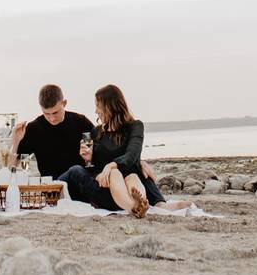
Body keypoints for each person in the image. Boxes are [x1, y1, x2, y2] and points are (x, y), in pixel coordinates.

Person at [58, 84, 192, 217]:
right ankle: (135, 206)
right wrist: (89, 159)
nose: (96, 111)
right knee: (82, 171)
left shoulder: (135, 127)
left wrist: (113, 165)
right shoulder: (96, 132)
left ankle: (155, 205)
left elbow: (131, 154)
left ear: (110, 106)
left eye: (98, 106)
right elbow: (95, 167)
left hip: (130, 181)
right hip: (106, 189)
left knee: (133, 173)